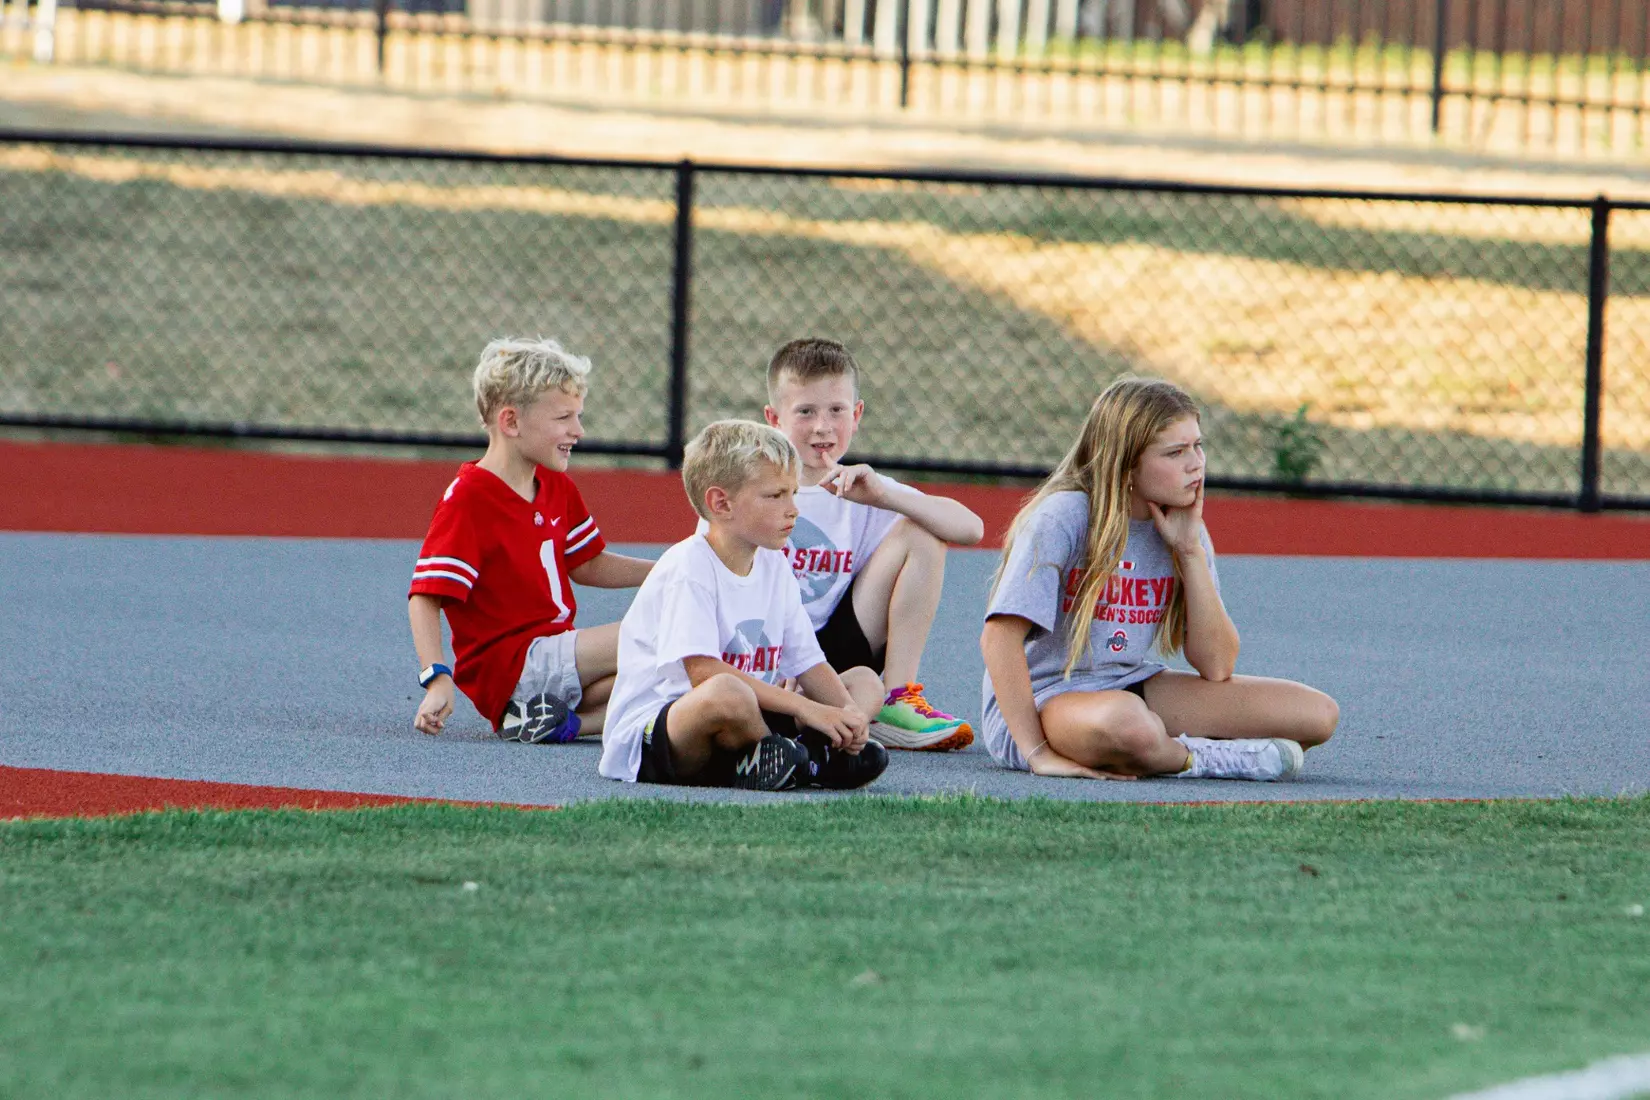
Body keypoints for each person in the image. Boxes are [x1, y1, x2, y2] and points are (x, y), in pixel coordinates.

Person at [979, 377, 1339, 781]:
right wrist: (1037, 752)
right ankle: (1203, 759)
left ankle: (1162, 750)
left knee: (1316, 715)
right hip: (1047, 702)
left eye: (1198, 445)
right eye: (1176, 452)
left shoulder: (1183, 526)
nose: (1196, 463)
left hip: (1132, 686)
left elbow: (1217, 665)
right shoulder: (1063, 516)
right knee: (1128, 725)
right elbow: (999, 638)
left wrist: (1189, 552)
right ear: (1126, 465)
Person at [599, 420, 889, 791]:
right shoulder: (690, 566)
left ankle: (802, 756)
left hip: (749, 716)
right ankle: (801, 760)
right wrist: (805, 709)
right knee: (727, 692)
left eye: (794, 493)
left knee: (863, 681)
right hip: (667, 731)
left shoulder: (774, 562)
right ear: (721, 503)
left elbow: (808, 662)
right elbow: (703, 674)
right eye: (775, 496)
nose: (793, 509)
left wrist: (846, 715)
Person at [408, 336, 653, 743]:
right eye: (564, 418)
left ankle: (558, 722)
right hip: (514, 666)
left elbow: (587, 563)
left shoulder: (555, 484)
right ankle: (537, 715)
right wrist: (436, 677)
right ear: (511, 422)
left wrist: (665, 571)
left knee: (666, 679)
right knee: (660, 635)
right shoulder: (471, 498)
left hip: (555, 658)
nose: (578, 430)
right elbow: (425, 596)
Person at [759, 337, 985, 751]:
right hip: (771, 654)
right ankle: (836, 723)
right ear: (774, 418)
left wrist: (883, 495)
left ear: (857, 414)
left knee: (921, 528)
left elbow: (971, 529)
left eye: (836, 410)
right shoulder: (754, 488)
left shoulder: (863, 487)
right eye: (805, 412)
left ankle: (897, 699)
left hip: (839, 647)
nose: (822, 426)